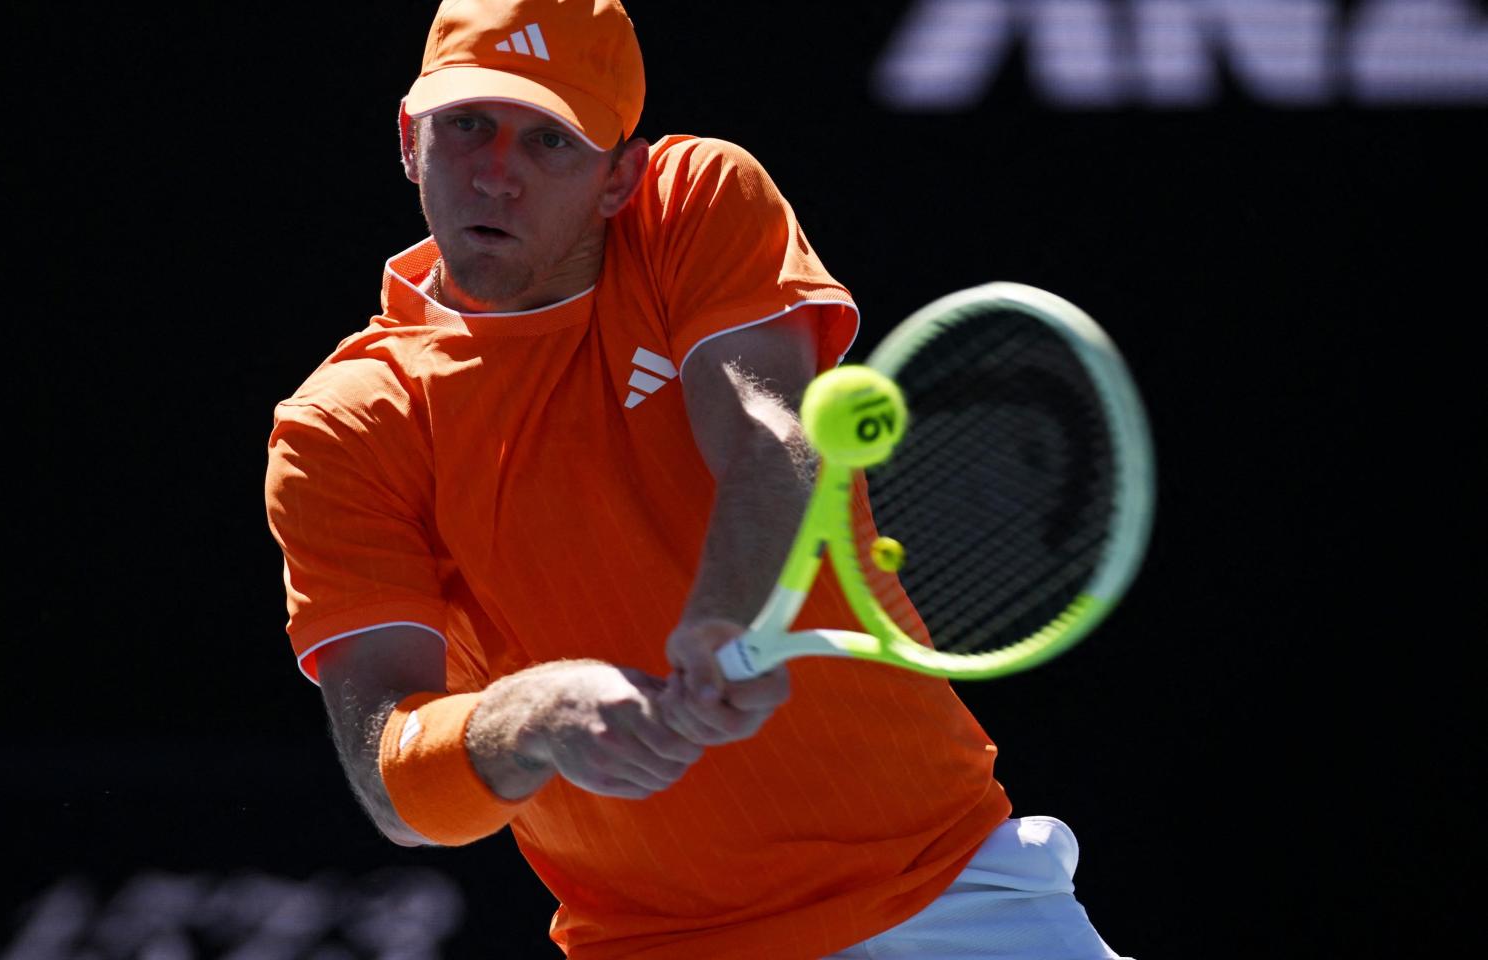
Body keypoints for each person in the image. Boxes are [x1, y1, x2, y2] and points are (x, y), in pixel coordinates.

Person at [263, 1, 1128, 957]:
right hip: (653, 941)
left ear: (617, 178)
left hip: (944, 884)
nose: (496, 172)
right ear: (409, 139)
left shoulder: (693, 200)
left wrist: (727, 624)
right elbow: (394, 788)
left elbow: (768, 430)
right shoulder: (344, 424)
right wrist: (536, 716)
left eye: (549, 139)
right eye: (466, 124)